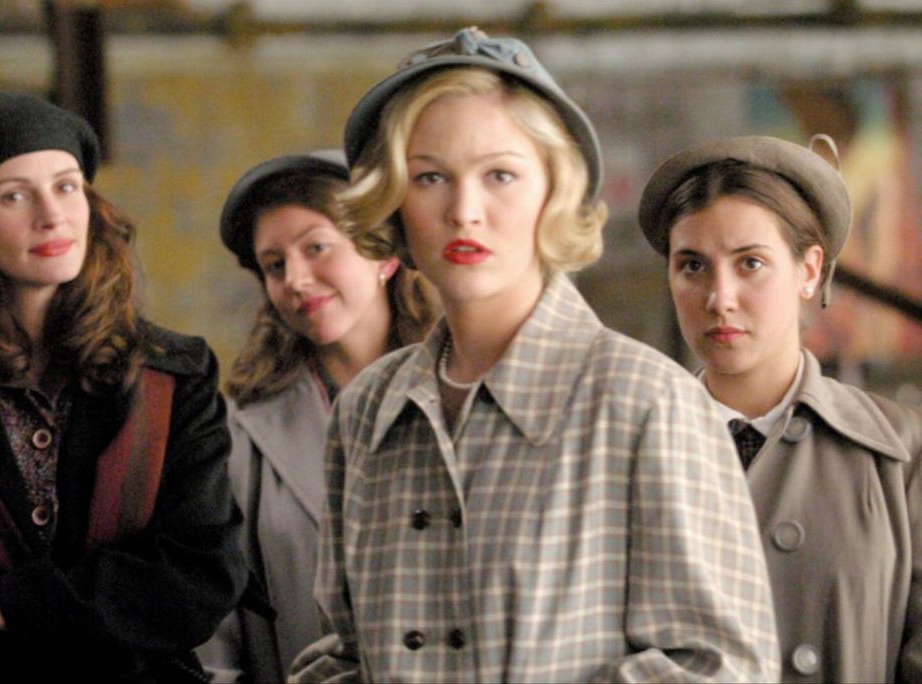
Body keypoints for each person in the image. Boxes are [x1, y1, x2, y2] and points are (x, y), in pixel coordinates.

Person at [289, 27, 780, 682]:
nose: (465, 211)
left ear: (555, 191)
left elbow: (723, 668)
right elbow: (346, 655)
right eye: (430, 176)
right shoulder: (366, 411)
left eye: (500, 175)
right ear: (395, 200)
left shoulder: (646, 402)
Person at [0, 91, 247, 682]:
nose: (52, 215)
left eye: (66, 186)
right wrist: (106, 611)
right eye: (14, 195)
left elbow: (198, 582)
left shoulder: (174, 373)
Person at [638, 134, 922, 682]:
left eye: (750, 263)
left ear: (809, 271)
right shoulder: (632, 451)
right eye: (692, 266)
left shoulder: (900, 453)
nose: (719, 298)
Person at [196, 151, 437, 682]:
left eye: (316, 247)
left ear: (384, 253)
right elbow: (216, 631)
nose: (296, 279)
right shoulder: (238, 437)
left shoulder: (462, 393)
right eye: (274, 265)